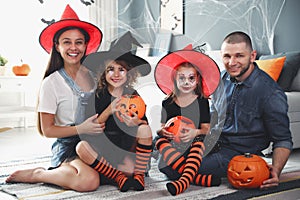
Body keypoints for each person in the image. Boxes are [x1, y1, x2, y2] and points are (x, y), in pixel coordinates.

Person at [6, 4, 105, 192]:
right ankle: (39, 174)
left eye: (79, 42)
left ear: (86, 45)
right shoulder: (51, 83)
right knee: (88, 182)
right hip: (69, 148)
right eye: (67, 42)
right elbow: (47, 130)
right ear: (57, 46)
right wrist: (81, 128)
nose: (73, 47)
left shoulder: (95, 76)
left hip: (98, 143)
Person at [198, 31, 293, 189]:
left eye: (239, 56)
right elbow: (212, 119)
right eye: (227, 56)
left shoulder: (270, 92)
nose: (232, 62)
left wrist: (276, 170)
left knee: (175, 165)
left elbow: (283, 139)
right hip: (213, 142)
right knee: (163, 149)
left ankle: (202, 174)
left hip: (238, 154)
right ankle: (202, 177)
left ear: (252, 56)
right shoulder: (219, 80)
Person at [75, 31, 153, 192]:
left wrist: (136, 122)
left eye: (121, 69)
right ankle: (117, 176)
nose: (116, 74)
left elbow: (144, 122)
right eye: (111, 69)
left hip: (126, 147)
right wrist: (109, 110)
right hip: (103, 146)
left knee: (145, 130)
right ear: (103, 72)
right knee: (81, 147)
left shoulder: (133, 95)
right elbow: (90, 128)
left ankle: (137, 175)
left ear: (129, 73)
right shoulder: (97, 96)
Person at [153, 44, 222, 196]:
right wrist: (163, 131)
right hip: (176, 144)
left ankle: (182, 182)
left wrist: (193, 133)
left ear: (197, 80)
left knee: (195, 144)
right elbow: (162, 128)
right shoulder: (168, 103)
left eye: (191, 78)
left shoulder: (201, 101)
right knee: (158, 142)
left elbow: (206, 129)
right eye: (181, 78)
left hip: (196, 143)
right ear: (174, 79)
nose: (186, 82)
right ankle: (200, 179)